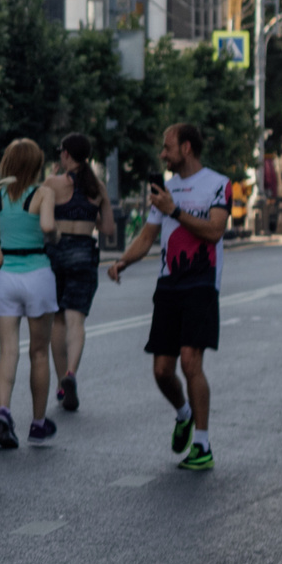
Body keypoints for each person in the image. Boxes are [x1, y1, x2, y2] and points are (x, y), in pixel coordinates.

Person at [108, 121, 228, 472]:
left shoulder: (218, 184)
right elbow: (147, 236)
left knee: (191, 363)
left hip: (202, 283)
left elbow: (215, 231)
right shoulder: (166, 189)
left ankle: (202, 445)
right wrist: (123, 262)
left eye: (168, 147)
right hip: (169, 284)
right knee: (162, 371)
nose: (163, 154)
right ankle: (183, 413)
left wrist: (175, 210)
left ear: (187, 148)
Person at [0, 138, 60, 449]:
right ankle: (38, 424)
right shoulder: (43, 193)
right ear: (37, 165)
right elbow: (47, 225)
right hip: (37, 274)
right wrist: (56, 232)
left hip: (5, 277)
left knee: (7, 351)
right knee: (39, 353)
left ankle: (3, 410)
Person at [44, 133, 104, 413]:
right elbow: (109, 230)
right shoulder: (97, 187)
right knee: (76, 320)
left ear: (66, 154)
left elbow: (40, 217)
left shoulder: (53, 183)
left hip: (56, 251)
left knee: (57, 320)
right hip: (84, 251)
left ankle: (59, 383)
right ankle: (71, 373)